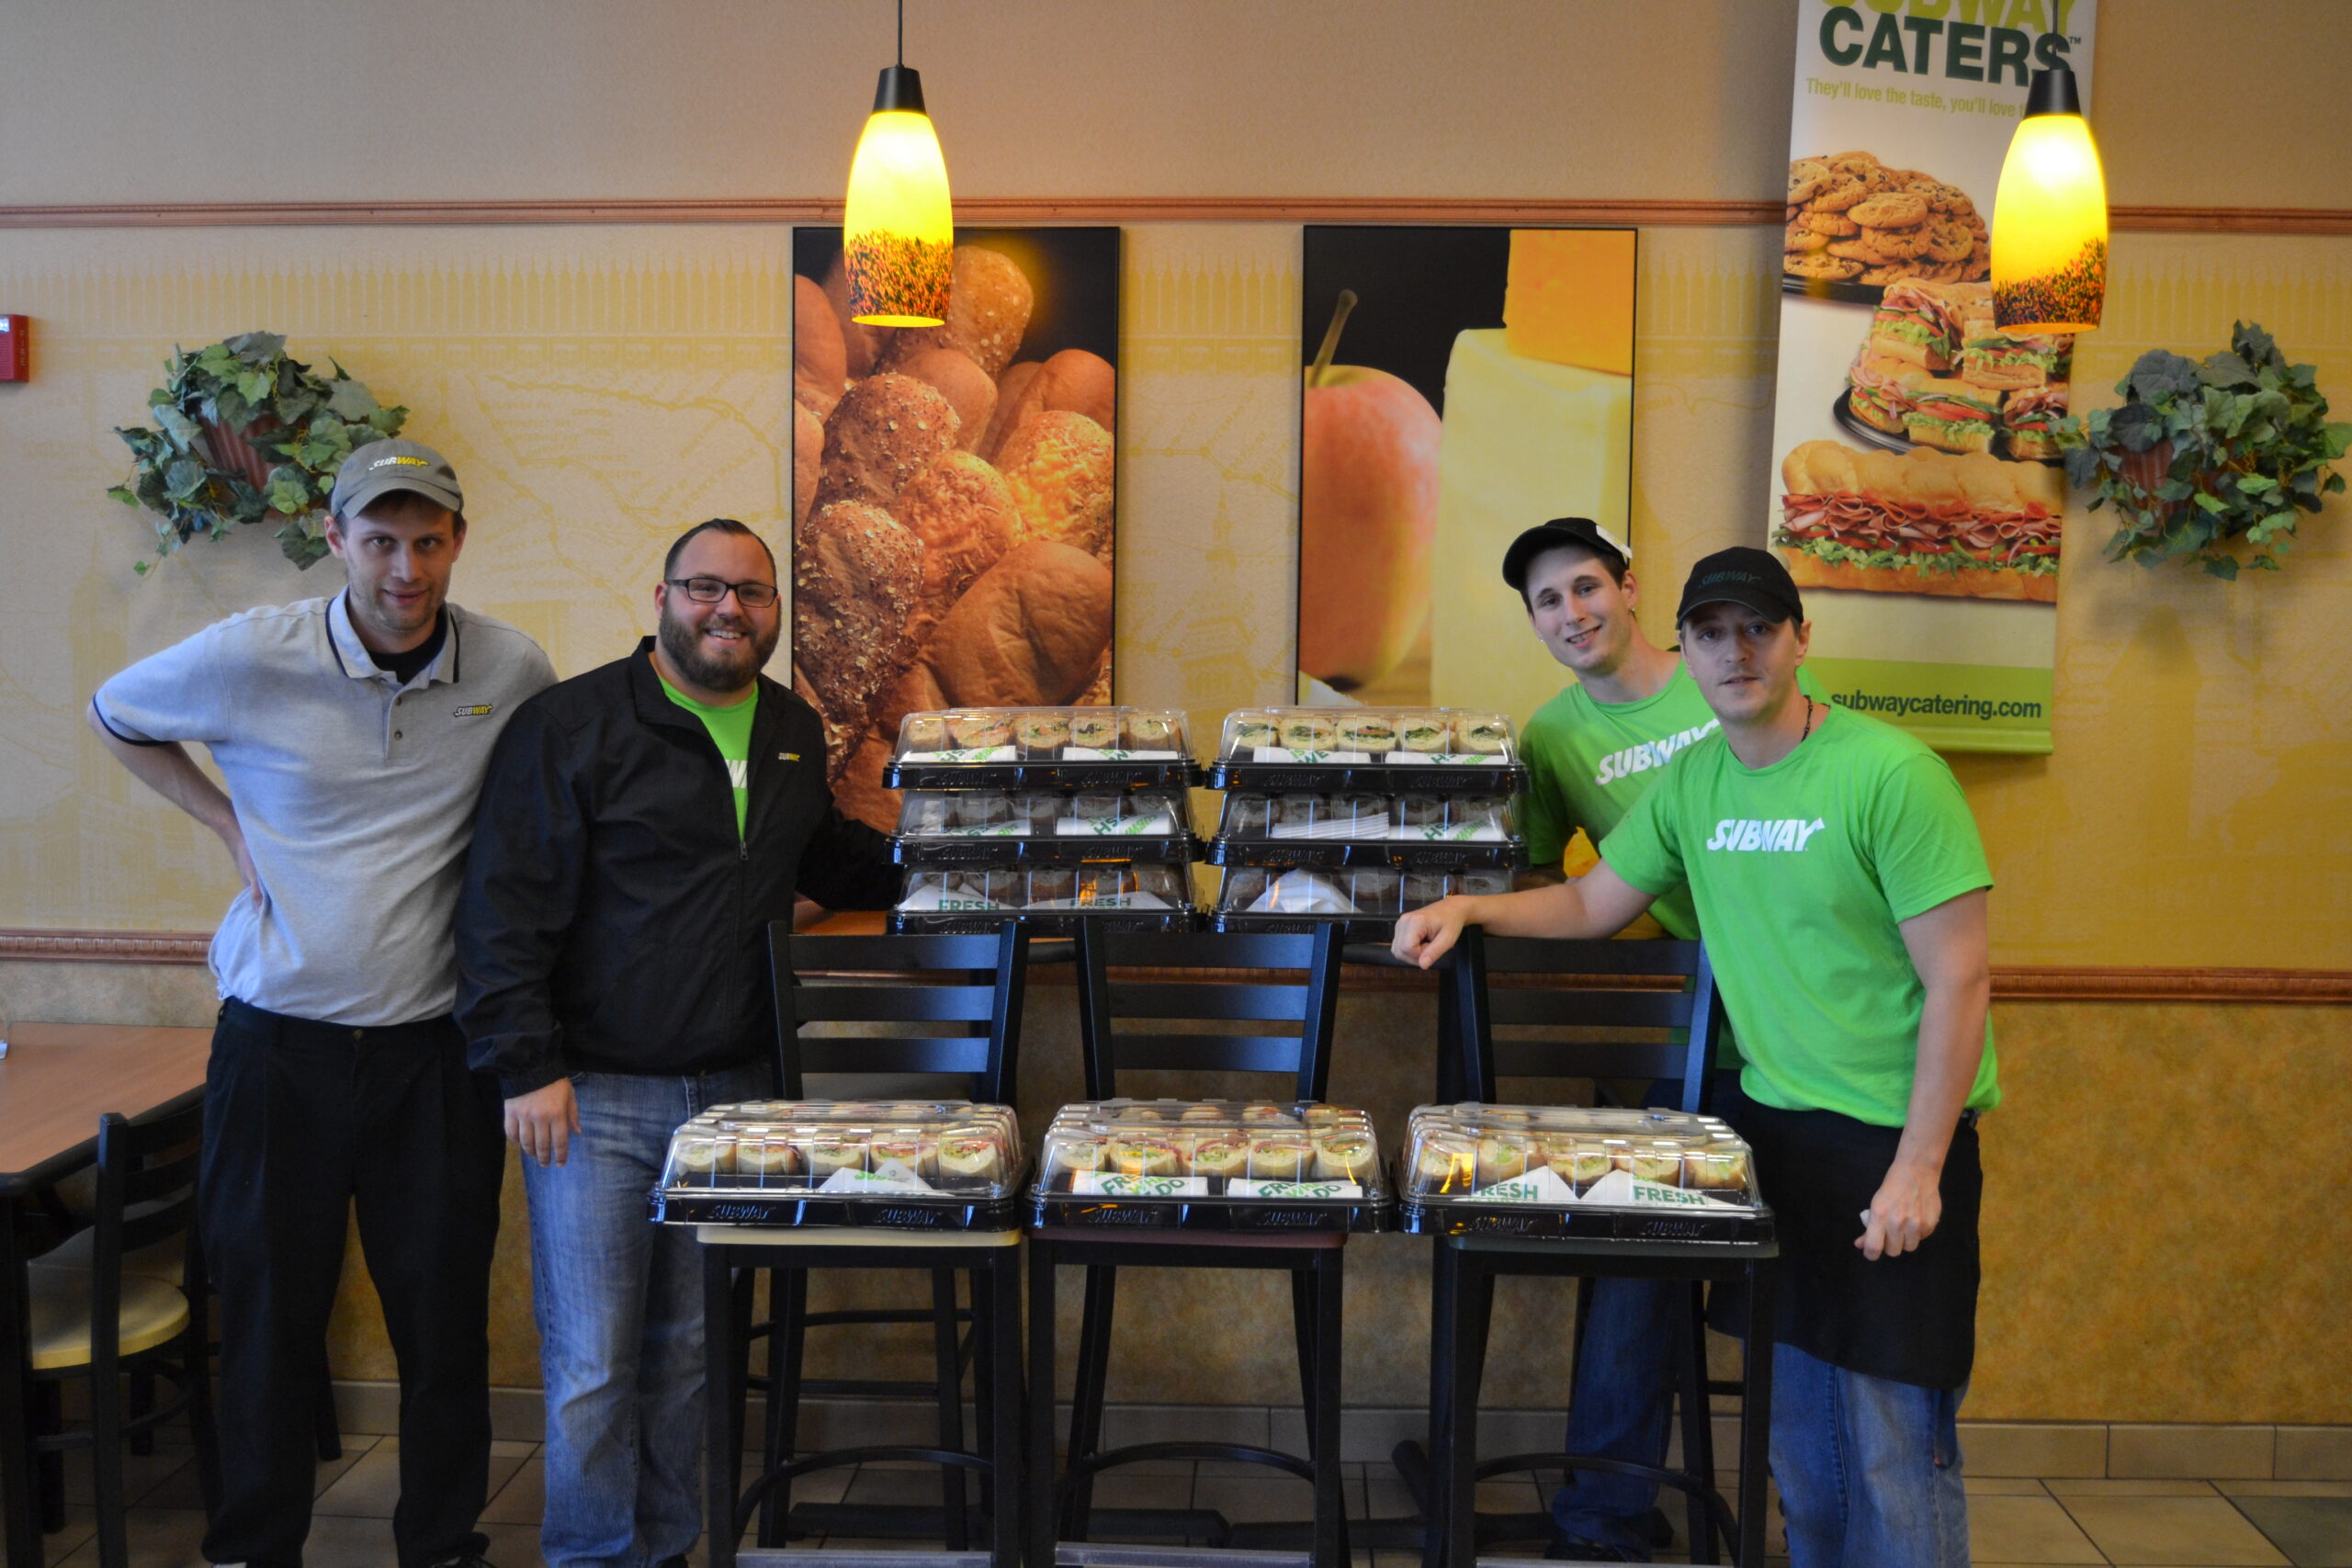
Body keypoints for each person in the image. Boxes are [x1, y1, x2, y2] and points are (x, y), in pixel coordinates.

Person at [1397, 547, 1996, 1568]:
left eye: (1758, 629)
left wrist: (1920, 1166)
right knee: (1805, 1451)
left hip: (1891, 1147)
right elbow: (1592, 902)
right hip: (1775, 1134)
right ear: (1689, 648)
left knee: (1896, 1451)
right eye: (1712, 634)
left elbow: (1960, 980)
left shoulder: (1892, 774)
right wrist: (1466, 904)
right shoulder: (1695, 783)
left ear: (1800, 639)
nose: (1735, 652)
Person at [87, 440, 554, 1568]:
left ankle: (439, 1543)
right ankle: (257, 1546)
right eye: (382, 540)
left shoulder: (512, 667)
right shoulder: (253, 655)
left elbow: (538, 820)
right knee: (265, 1321)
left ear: (456, 543)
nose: (407, 567)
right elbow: (114, 712)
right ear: (338, 540)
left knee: (442, 1325)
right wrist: (221, 820)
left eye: (428, 541)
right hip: (275, 1052)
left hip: (434, 1055)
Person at [455, 517, 900, 1568]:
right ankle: (593, 1557)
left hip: (736, 1096)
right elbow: (501, 908)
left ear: (775, 613)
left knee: (694, 1355)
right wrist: (526, 1066)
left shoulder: (793, 728)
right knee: (593, 1364)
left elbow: (828, 858)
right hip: (591, 1097)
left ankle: (665, 1549)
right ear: (660, 597)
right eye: (705, 588)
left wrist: (984, 874)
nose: (727, 611)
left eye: (750, 594)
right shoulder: (571, 726)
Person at [1502, 518, 1822, 1559]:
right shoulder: (1549, 735)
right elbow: (1562, 885)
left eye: (1586, 587)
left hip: (1793, 1018)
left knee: (1800, 1275)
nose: (1573, 614)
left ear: (1631, 591)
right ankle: (1606, 1513)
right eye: (1548, 602)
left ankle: (1804, 1507)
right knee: (1637, 1264)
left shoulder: (1729, 676)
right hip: (1667, 1031)